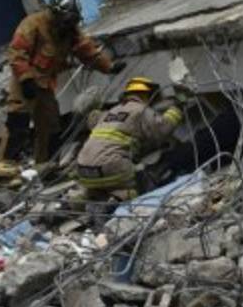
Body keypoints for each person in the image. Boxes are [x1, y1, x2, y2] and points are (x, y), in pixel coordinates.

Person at [0, 0, 124, 189]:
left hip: (45, 83)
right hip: (25, 81)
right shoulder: (33, 24)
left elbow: (87, 51)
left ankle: (46, 169)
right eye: (66, 21)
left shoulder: (69, 31)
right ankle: (4, 175)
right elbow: (16, 53)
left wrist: (109, 67)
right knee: (17, 125)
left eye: (72, 22)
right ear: (56, 15)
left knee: (51, 127)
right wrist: (26, 79)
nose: (69, 26)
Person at [69, 77, 185, 209]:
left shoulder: (110, 112)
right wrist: (178, 107)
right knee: (142, 184)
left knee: (100, 187)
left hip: (84, 170)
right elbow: (162, 129)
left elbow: (95, 125)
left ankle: (79, 200)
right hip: (113, 167)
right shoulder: (140, 110)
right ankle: (117, 200)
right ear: (148, 94)